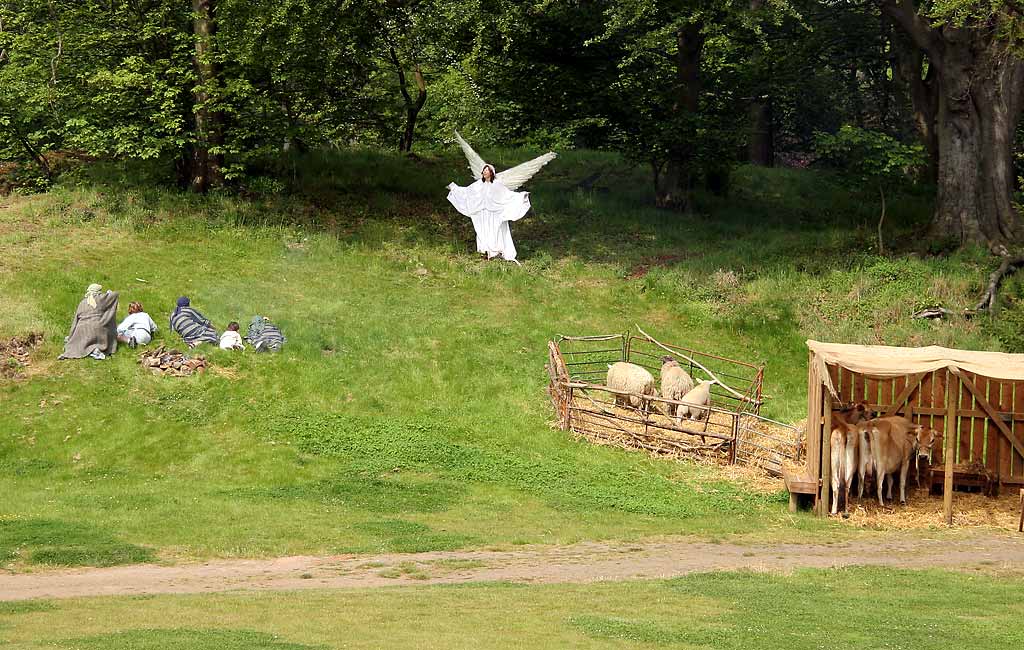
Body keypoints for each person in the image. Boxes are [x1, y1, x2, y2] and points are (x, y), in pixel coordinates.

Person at [446, 130, 557, 264]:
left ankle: (497, 252)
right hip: (483, 213)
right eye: (483, 170)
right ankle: (487, 252)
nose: (484, 172)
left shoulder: (497, 185)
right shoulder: (478, 185)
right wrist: (454, 188)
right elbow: (468, 193)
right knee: (483, 231)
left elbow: (507, 196)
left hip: (495, 214)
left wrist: (521, 196)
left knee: (496, 232)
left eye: (487, 171)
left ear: (491, 173)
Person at [59, 283, 119, 360]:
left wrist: (71, 336)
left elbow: (75, 321)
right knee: (104, 329)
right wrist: (108, 293)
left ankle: (89, 348)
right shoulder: (101, 299)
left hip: (81, 330)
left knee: (76, 344)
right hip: (98, 329)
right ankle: (97, 348)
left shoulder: (82, 303)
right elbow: (115, 295)